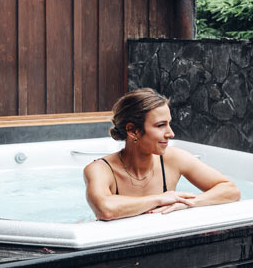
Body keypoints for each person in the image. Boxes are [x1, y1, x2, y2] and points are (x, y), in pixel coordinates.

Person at [84, 88, 240, 221]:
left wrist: (189, 202)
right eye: (160, 125)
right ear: (133, 131)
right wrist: (160, 198)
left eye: (169, 123)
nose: (171, 133)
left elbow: (231, 190)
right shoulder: (100, 169)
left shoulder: (174, 159)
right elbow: (105, 209)